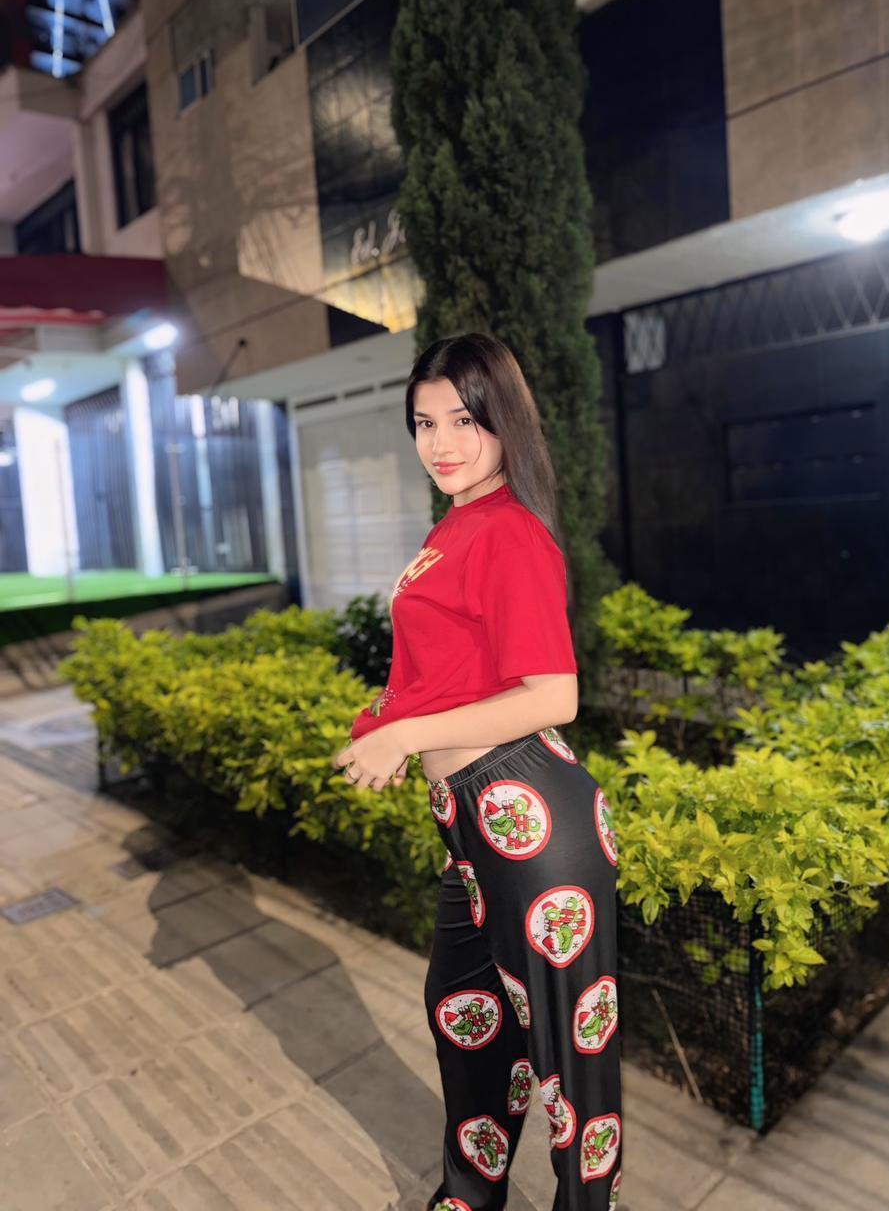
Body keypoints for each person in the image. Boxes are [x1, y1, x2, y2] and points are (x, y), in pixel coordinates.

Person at [333, 332, 623, 1211]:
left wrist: (405, 733)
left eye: (464, 419)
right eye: (424, 423)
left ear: (504, 420)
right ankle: (469, 1196)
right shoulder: (454, 528)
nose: (442, 442)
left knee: (571, 1064)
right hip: (468, 823)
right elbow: (444, 669)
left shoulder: (510, 531)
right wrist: (383, 726)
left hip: (530, 815)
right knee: (465, 1015)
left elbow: (554, 695)